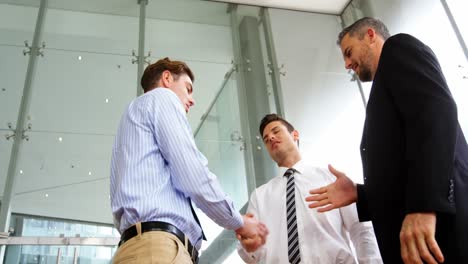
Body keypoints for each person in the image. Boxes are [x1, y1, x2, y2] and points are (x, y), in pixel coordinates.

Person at [306, 17, 468, 264]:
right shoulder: (386, 89)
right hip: (420, 243)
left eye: (349, 53)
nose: (348, 64)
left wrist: (424, 206)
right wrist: (360, 194)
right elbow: (401, 174)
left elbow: (436, 114)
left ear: (370, 35)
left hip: (440, 233)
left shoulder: (398, 48)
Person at [110, 57, 268, 264]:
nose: (192, 100)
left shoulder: (132, 118)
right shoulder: (162, 98)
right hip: (158, 249)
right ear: (167, 78)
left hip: (140, 247)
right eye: (188, 88)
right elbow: (192, 174)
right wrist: (238, 221)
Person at [237, 113, 382, 264]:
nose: (271, 138)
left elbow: (360, 229)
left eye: (276, 131)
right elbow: (250, 252)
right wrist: (248, 244)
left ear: (295, 135)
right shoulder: (259, 197)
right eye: (266, 140)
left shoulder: (331, 179)